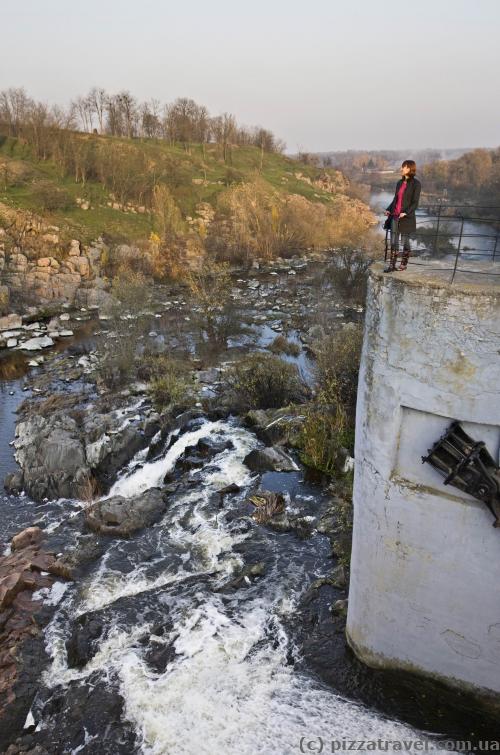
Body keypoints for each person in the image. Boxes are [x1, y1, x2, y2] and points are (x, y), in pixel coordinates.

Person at [384, 160, 421, 272]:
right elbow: (396, 199)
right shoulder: (399, 183)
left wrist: (406, 212)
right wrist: (388, 209)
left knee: (405, 241)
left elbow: (415, 203)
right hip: (395, 216)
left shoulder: (416, 184)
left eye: (403, 167)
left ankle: (404, 264)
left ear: (409, 169)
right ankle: (392, 266)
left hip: (406, 218)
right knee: (394, 242)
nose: (401, 169)